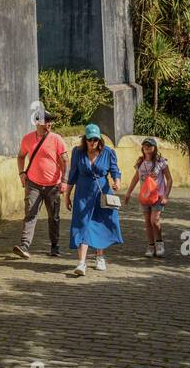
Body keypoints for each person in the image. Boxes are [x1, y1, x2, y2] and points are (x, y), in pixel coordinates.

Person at [14, 101, 68, 259]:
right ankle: (24, 245)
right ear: (37, 122)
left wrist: (64, 181)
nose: (49, 123)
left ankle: (54, 246)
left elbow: (65, 161)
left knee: (54, 217)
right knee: (30, 213)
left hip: (53, 185)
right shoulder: (28, 139)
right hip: (33, 184)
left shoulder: (57, 139)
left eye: (51, 121)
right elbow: (20, 156)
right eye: (46, 120)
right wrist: (21, 173)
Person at [65, 125, 122, 275]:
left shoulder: (108, 152)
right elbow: (73, 175)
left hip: (101, 194)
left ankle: (100, 257)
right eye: (90, 139)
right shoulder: (78, 153)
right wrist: (67, 195)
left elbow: (115, 170)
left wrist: (117, 181)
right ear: (85, 139)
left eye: (95, 139)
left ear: (99, 139)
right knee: (81, 225)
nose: (93, 142)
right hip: (83, 194)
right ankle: (81, 263)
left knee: (100, 223)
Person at [124, 136, 173, 258]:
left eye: (150, 146)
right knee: (147, 222)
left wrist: (166, 195)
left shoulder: (161, 161)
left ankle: (160, 243)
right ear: (142, 147)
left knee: (154, 221)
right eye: (145, 145)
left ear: (154, 148)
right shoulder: (140, 162)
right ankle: (151, 246)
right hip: (145, 197)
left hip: (158, 196)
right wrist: (129, 192)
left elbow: (169, 179)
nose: (147, 148)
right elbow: (136, 178)